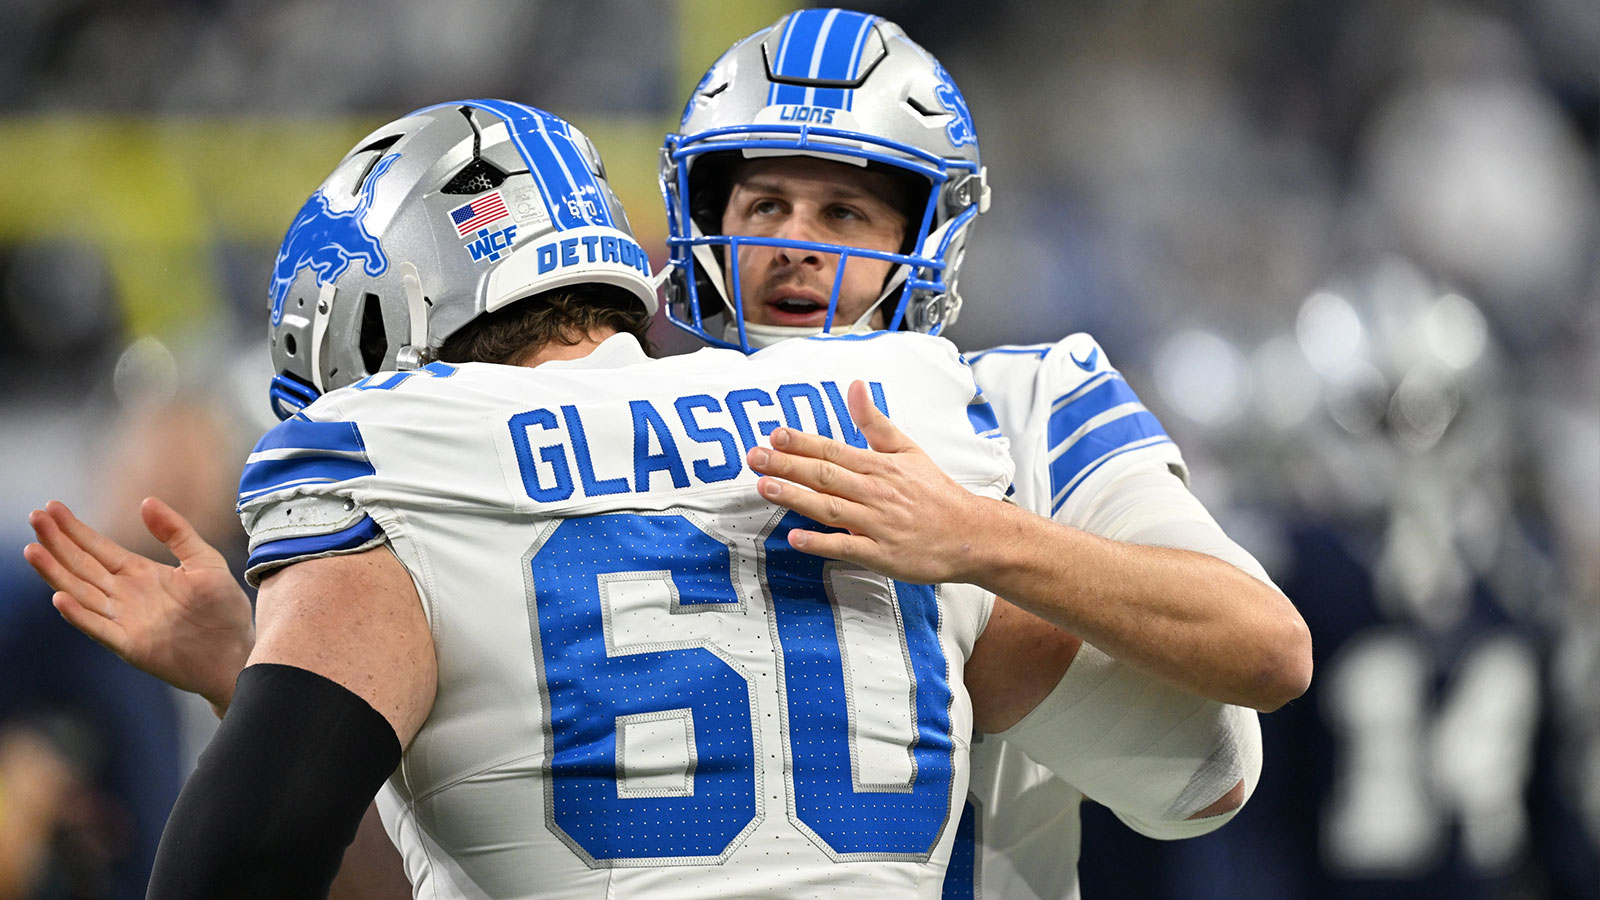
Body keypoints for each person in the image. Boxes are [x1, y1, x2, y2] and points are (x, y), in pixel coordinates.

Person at [27, 98, 1220, 898]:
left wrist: (272, 674)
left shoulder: (386, 447)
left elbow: (246, 861)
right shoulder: (880, 405)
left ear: (377, 317)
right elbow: (1199, 768)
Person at [660, 10, 1309, 898]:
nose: (793, 245)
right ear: (707, 215)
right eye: (766, 203)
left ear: (921, 240)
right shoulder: (619, 418)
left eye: (843, 211)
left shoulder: (1027, 402)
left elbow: (1260, 664)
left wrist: (972, 536)